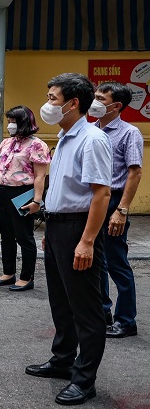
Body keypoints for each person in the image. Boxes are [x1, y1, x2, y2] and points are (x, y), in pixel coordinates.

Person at [25, 73, 111, 406]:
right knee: (61, 301)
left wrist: (87, 241)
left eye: (53, 98)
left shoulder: (92, 139)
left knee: (86, 309)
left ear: (74, 103)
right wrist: (50, 229)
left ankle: (84, 380)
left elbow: (101, 194)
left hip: (80, 228)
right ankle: (62, 360)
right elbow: (61, 189)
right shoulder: (65, 136)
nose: (47, 104)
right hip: (60, 227)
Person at [88, 82, 142, 339]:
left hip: (114, 200)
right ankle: (103, 312)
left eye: (100, 98)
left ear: (116, 105)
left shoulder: (129, 133)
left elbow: (135, 172)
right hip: (92, 200)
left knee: (116, 262)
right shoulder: (89, 130)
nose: (95, 101)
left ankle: (126, 320)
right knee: (95, 261)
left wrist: (122, 210)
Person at [0, 106, 50, 291]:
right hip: (3, 191)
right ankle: (8, 272)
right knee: (6, 235)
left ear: (24, 122)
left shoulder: (37, 145)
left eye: (13, 121)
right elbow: (0, 169)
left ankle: (26, 277)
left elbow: (40, 176)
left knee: (24, 236)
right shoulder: (6, 143)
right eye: (9, 121)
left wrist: (37, 201)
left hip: (23, 193)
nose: (10, 125)